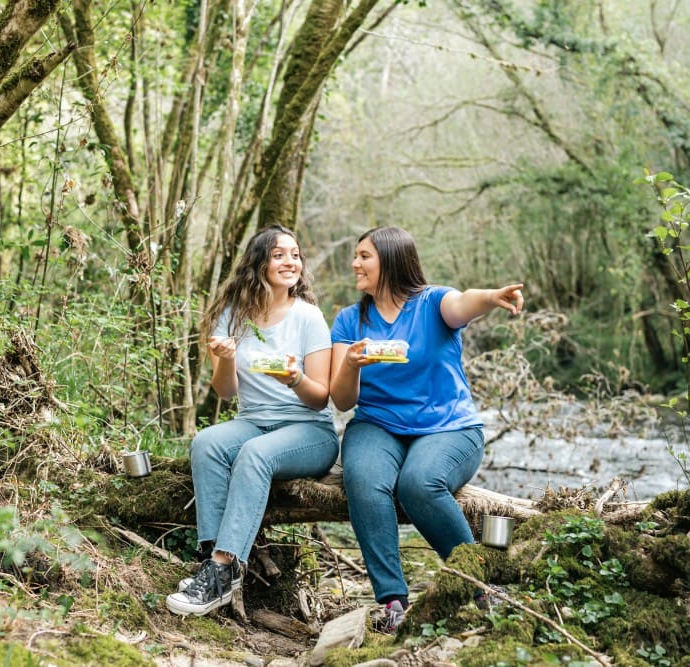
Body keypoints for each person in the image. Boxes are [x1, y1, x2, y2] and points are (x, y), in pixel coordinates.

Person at [329, 226, 523, 632]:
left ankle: (480, 587)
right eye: (355, 255)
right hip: (377, 425)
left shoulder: (433, 302)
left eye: (364, 256)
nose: (355, 264)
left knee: (418, 483)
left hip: (449, 428)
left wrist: (491, 297)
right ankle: (392, 602)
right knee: (363, 478)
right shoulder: (350, 320)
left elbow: (462, 304)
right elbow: (343, 401)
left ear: (392, 259)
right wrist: (350, 364)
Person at [166, 225, 339, 617]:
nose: (290, 262)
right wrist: (225, 357)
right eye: (279, 254)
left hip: (309, 430)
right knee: (207, 443)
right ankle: (212, 561)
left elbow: (320, 398)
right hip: (253, 419)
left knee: (254, 454)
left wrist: (294, 378)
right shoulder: (231, 315)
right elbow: (225, 392)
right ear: (258, 261)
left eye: (295, 254)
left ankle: (225, 569)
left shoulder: (308, 317)